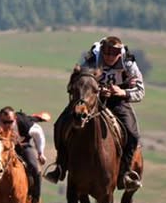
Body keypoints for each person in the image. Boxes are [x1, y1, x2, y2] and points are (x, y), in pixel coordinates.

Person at [45, 35, 144, 190]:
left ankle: (125, 173)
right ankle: (60, 167)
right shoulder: (92, 58)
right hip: (90, 100)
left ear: (120, 53)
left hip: (118, 101)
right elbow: (79, 79)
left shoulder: (128, 62)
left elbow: (140, 91)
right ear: (102, 51)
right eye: (106, 53)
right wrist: (94, 91)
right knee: (60, 124)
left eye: (114, 54)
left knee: (132, 134)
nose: (110, 57)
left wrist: (122, 92)